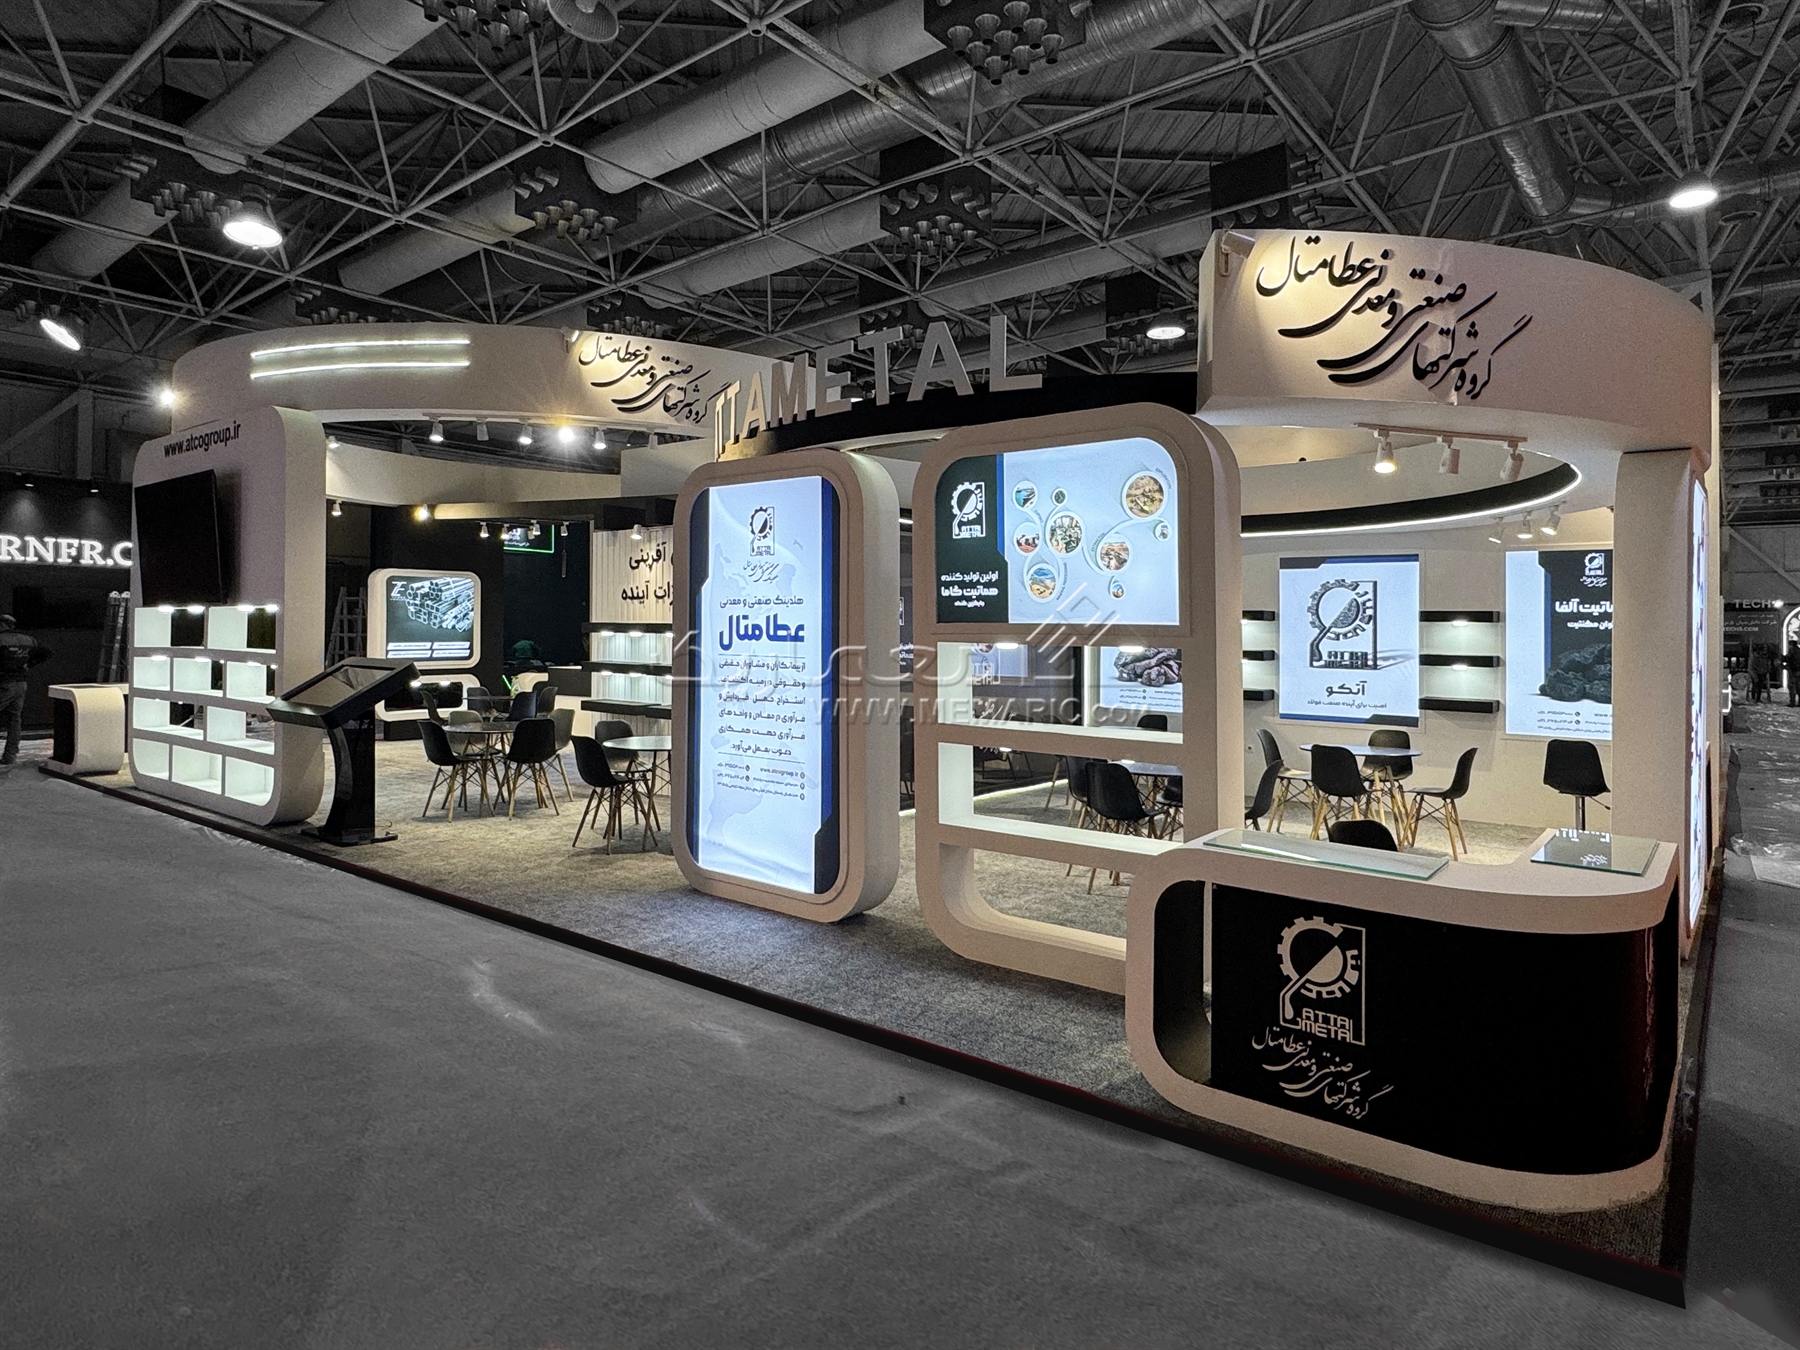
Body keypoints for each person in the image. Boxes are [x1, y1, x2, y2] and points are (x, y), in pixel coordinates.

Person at [0, 613, 54, 765]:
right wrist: (28, 664)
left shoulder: (1, 639)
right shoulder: (28, 640)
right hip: (21, 683)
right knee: (14, 719)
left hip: (4, 683)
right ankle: (10, 756)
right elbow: (47, 653)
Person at [1785, 643, 1800, 707]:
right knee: (1798, 686)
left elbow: (1787, 659)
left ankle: (1792, 702)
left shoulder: (1792, 651)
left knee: (1792, 687)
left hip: (1793, 671)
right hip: (1798, 671)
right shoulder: (1799, 650)